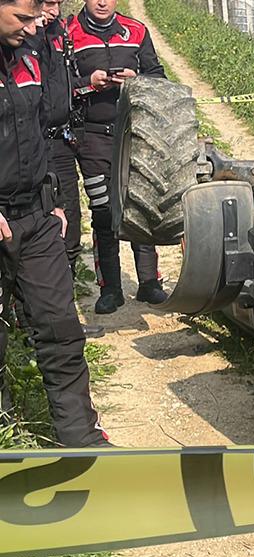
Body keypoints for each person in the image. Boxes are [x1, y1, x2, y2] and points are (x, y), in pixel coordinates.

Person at [0, 0, 108, 447]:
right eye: (22, 18)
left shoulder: (30, 53)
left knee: (61, 329)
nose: (33, 26)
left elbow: (40, 131)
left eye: (36, 17)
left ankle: (82, 442)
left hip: (36, 216)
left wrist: (56, 199)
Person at [67, 0, 167, 315]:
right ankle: (110, 289)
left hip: (134, 133)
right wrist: (88, 84)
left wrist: (136, 80)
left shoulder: (136, 30)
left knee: (141, 207)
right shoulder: (68, 32)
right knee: (104, 212)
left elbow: (159, 78)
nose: (102, 2)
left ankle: (150, 282)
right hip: (92, 136)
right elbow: (58, 87)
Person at [36, 0, 102, 337]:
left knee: (71, 227)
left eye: (57, 3)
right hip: (34, 144)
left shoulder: (59, 33)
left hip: (60, 142)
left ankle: (64, 316)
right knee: (42, 230)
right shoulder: (22, 41)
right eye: (47, 3)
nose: (53, 10)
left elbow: (65, 86)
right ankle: (38, 320)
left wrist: (87, 82)